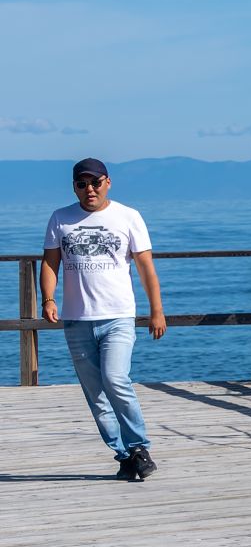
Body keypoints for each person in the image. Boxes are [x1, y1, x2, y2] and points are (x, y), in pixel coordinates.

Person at [41, 158, 167, 482]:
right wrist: (49, 298)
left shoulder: (128, 217)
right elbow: (50, 263)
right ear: (74, 187)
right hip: (76, 320)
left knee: (115, 379)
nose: (89, 189)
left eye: (95, 182)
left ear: (108, 182)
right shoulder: (60, 219)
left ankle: (139, 446)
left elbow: (145, 268)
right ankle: (125, 456)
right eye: (82, 184)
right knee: (95, 394)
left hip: (118, 317)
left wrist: (157, 311)